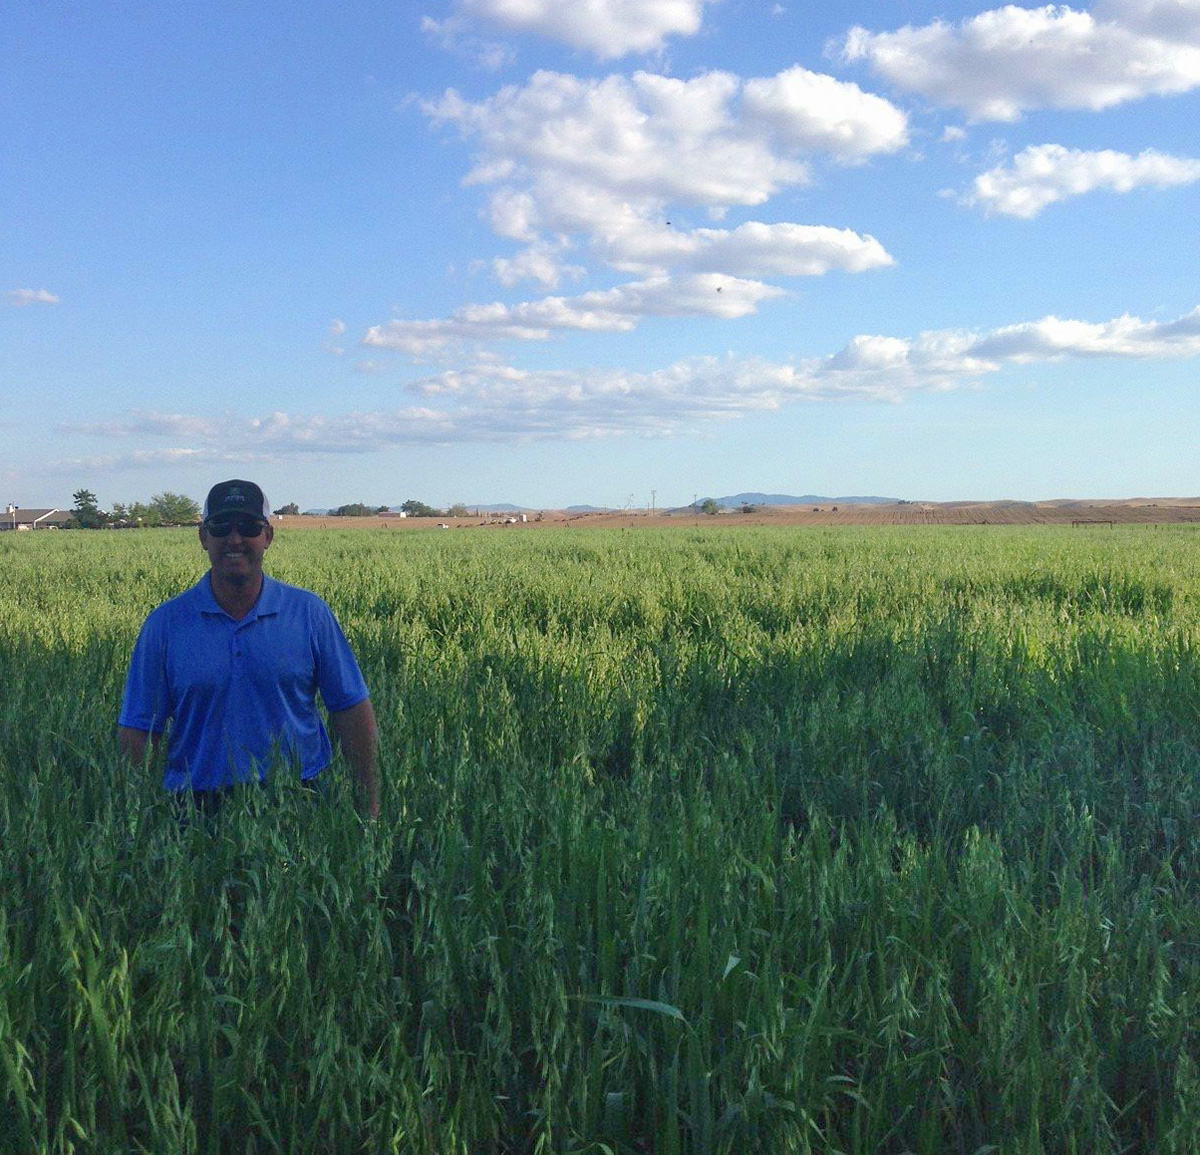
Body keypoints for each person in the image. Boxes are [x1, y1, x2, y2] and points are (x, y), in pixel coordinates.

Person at [117, 479, 380, 818]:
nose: (235, 539)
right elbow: (139, 729)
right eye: (221, 527)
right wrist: (135, 820)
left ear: (268, 536)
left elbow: (351, 710)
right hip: (196, 813)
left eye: (249, 527)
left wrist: (369, 809)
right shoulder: (165, 625)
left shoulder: (309, 614)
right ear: (203, 537)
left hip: (299, 803)